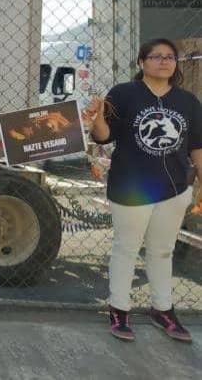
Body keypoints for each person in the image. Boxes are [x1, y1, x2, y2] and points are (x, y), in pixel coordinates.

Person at [86, 38, 201, 343]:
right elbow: (104, 136)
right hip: (132, 187)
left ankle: (162, 310)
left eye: (170, 57)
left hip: (175, 188)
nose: (164, 61)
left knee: (163, 250)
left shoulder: (188, 101)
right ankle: (119, 310)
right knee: (126, 248)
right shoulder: (124, 94)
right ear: (141, 62)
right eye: (156, 56)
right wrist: (96, 118)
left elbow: (196, 147)